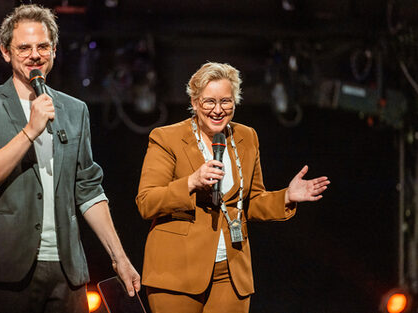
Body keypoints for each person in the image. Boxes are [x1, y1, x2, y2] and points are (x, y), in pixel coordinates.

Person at [0, 4, 140, 313]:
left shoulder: (74, 110)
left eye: (43, 46)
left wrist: (119, 257)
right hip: (8, 268)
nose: (35, 55)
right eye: (24, 48)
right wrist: (30, 130)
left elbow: (88, 189)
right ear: (5, 52)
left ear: (54, 50)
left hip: (66, 269)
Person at [135, 62, 330, 313]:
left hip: (231, 270)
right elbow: (147, 201)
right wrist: (191, 182)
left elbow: (252, 202)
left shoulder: (247, 137)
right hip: (177, 271)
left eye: (226, 101)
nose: (218, 110)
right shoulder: (166, 138)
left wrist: (286, 197)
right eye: (209, 102)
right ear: (194, 103)